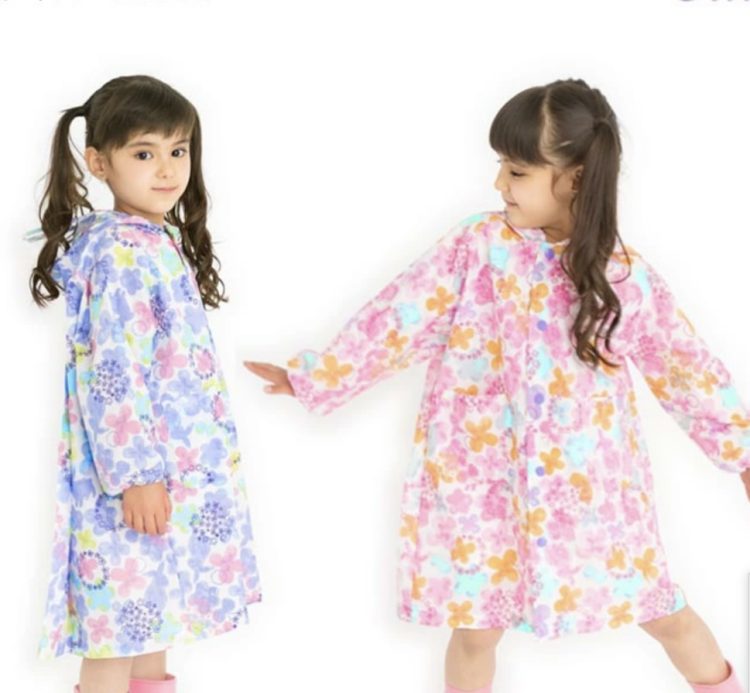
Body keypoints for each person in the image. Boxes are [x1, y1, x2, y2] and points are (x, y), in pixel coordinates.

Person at [244, 78, 750, 692]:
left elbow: (685, 367)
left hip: (590, 492)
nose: (499, 185)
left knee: (661, 609)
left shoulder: (622, 277)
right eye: (501, 168)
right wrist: (319, 376)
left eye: (517, 171)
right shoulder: (477, 249)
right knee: (475, 630)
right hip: (479, 484)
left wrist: (741, 452)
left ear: (575, 178)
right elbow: (401, 316)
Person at [27, 75, 261, 693]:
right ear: (99, 162)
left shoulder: (151, 242)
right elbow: (113, 370)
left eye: (177, 150)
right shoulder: (121, 252)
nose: (167, 169)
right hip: (136, 477)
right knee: (118, 625)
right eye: (143, 153)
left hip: (173, 469)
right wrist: (136, 475)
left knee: (153, 615)